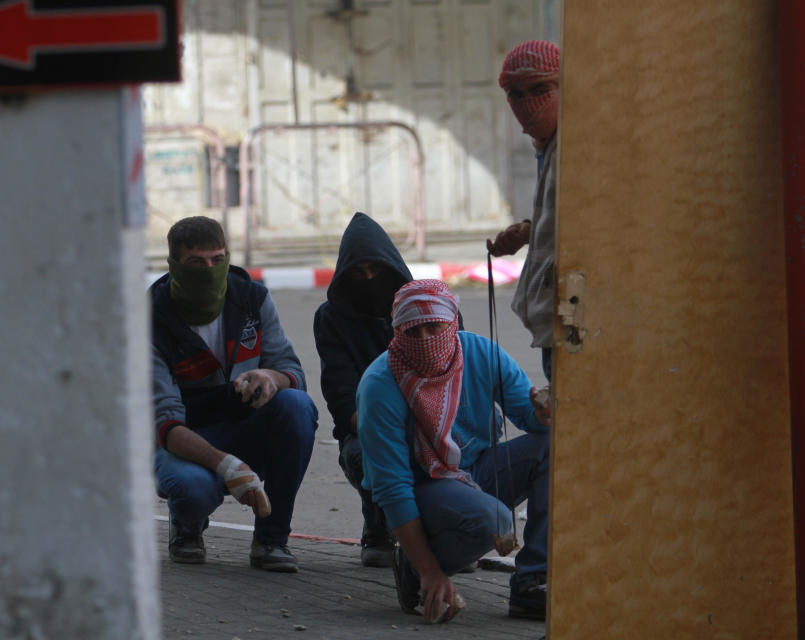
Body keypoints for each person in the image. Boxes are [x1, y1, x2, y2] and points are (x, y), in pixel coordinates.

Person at [357, 280, 551, 622]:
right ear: (397, 331)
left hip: (474, 469)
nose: (424, 340)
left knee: (553, 446)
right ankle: (417, 568)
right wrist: (431, 569)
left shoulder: (480, 353)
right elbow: (393, 488)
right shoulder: (379, 384)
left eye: (434, 327)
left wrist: (545, 413)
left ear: (453, 324)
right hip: (424, 488)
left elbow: (528, 415)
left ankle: (532, 579)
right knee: (495, 521)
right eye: (412, 331)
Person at [151, 216, 318, 573]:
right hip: (186, 439)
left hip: (245, 425)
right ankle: (187, 526)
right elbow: (164, 423)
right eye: (196, 262)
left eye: (217, 259)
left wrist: (271, 377)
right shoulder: (149, 320)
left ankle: (272, 540)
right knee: (191, 488)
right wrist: (229, 466)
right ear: (174, 266)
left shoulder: (251, 299)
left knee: (297, 406)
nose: (209, 269)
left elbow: (294, 373)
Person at [313, 212, 414, 567]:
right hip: (370, 428)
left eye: (377, 271)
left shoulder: (428, 309)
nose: (370, 281)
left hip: (434, 420)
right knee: (365, 453)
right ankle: (379, 526)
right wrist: (393, 434)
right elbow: (342, 398)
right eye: (359, 274)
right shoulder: (332, 320)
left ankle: (451, 528)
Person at [487, 40, 560, 381]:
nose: (528, 103)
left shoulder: (581, 144)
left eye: (540, 89)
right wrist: (530, 231)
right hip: (554, 316)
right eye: (515, 94)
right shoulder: (548, 145)